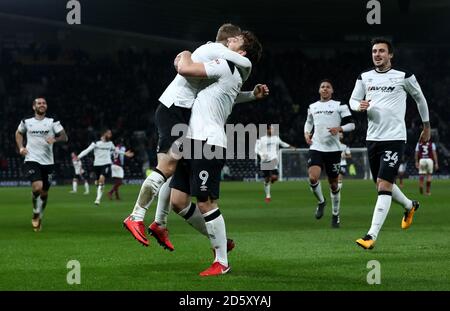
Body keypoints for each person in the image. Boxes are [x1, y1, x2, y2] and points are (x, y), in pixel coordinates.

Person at [123, 23, 268, 248]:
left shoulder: (217, 59)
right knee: (167, 166)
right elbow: (187, 68)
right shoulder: (219, 52)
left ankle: (159, 224)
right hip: (174, 108)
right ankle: (136, 217)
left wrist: (249, 93)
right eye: (235, 38)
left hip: (182, 113)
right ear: (228, 42)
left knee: (173, 176)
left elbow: (225, 91)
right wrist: (186, 56)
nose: (234, 41)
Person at [168, 30, 263, 276]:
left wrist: (186, 53)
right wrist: (252, 95)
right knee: (177, 202)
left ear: (241, 52)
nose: (227, 41)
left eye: (234, 41)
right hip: (192, 140)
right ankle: (223, 241)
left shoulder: (224, 65)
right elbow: (226, 97)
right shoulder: (232, 72)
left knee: (205, 202)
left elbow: (186, 68)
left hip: (208, 143)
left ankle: (221, 261)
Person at [350, 38, 430, 249]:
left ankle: (371, 236)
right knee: (381, 184)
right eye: (374, 51)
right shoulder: (364, 77)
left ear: (390, 55)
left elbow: (420, 99)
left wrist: (426, 126)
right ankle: (410, 205)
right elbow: (352, 99)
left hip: (394, 138)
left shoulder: (404, 76)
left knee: (384, 186)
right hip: (373, 138)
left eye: (382, 51)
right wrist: (359, 106)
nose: (377, 54)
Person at [304, 79, 355, 228]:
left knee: (334, 185)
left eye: (328, 87)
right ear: (319, 90)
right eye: (322, 87)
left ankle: (335, 214)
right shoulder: (312, 107)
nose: (325, 89)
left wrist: (339, 129)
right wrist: (307, 133)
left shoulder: (340, 106)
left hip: (334, 150)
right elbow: (308, 122)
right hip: (316, 146)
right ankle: (321, 202)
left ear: (332, 91)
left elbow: (352, 124)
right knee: (313, 177)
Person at [15, 97, 68, 231]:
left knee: (44, 193)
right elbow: (18, 133)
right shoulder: (26, 122)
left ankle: (40, 216)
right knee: (37, 187)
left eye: (44, 103)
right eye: (39, 103)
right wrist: (21, 147)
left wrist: (55, 139)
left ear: (46, 106)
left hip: (48, 162)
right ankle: (35, 212)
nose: (42, 105)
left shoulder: (52, 122)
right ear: (34, 107)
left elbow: (64, 137)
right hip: (31, 159)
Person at [77, 129, 133, 206]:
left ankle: (97, 200)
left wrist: (125, 153)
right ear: (103, 134)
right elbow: (87, 150)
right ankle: (99, 190)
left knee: (101, 180)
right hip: (97, 164)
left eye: (110, 133)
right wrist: (78, 156)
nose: (110, 135)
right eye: (109, 133)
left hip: (106, 164)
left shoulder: (110, 143)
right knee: (98, 183)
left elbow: (116, 151)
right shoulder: (96, 143)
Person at [254, 124, 294, 203]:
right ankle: (268, 196)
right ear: (267, 130)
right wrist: (262, 155)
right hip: (264, 161)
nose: (272, 131)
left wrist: (290, 146)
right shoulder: (261, 139)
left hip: (273, 160)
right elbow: (256, 149)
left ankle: (271, 179)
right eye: (271, 129)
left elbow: (282, 143)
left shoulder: (276, 138)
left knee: (275, 177)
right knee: (266, 179)